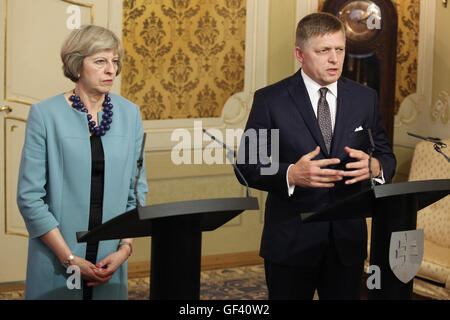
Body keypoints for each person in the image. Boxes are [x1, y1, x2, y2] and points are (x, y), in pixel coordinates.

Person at [236, 13, 396, 299]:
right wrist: (290, 174)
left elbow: (385, 154)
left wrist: (377, 166)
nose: (334, 59)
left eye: (340, 49)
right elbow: (247, 166)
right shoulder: (270, 100)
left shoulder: (365, 99)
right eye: (323, 51)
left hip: (346, 244)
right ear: (300, 53)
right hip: (290, 242)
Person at [17, 25, 148, 300]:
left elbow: (136, 190)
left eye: (114, 61)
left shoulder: (130, 114)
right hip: (58, 259)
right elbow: (30, 198)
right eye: (100, 61)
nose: (111, 69)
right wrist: (69, 259)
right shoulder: (45, 115)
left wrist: (125, 249)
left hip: (110, 258)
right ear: (77, 66)